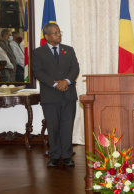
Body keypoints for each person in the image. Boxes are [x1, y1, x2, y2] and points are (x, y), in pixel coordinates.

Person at [32, 23, 80, 167]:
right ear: (46, 36)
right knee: (52, 126)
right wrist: (56, 84)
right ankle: (54, 155)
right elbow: (38, 72)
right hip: (50, 96)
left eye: (59, 32)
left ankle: (66, 156)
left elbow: (75, 68)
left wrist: (66, 81)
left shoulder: (69, 50)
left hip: (68, 94)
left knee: (67, 126)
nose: (58, 35)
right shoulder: (38, 53)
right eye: (55, 33)